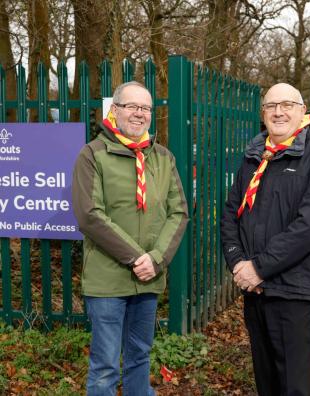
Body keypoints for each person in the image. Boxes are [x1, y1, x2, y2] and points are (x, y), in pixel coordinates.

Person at [220, 83, 310, 396]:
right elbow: (230, 215)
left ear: (302, 112)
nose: (279, 111)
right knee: (267, 384)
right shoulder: (252, 158)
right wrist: (238, 263)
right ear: (263, 114)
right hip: (255, 292)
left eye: (288, 104)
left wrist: (258, 267)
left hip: (294, 291)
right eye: (271, 105)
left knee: (295, 387)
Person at [72, 81, 188, 396]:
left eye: (145, 108)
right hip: (107, 281)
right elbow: (89, 215)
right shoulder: (92, 154)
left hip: (149, 279)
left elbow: (179, 213)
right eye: (131, 106)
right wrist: (137, 257)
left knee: (139, 357)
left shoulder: (163, 157)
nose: (139, 114)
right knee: (105, 365)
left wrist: (157, 258)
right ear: (115, 110)